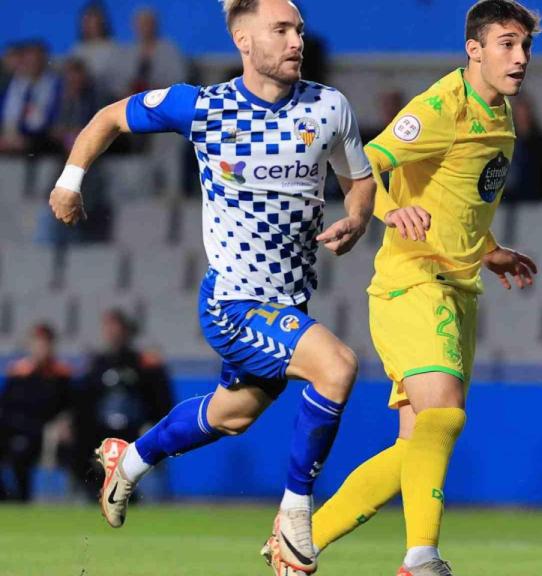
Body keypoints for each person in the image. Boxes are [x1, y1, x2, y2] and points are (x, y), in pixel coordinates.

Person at [48, 1, 376, 573]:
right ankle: (295, 516)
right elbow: (107, 117)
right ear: (244, 42)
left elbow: (361, 180)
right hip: (233, 304)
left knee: (231, 416)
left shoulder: (330, 108)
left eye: (298, 29)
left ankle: (128, 463)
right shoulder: (203, 107)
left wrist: (356, 218)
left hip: (289, 303)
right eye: (280, 29)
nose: (296, 39)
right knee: (337, 366)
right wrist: (70, 181)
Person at [263, 1, 540, 575]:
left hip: (456, 288)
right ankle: (421, 559)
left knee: (416, 448)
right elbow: (364, 162)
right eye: (507, 44)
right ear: (475, 48)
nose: (519, 58)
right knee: (445, 415)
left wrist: (489, 252)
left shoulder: (501, 112)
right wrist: (388, 212)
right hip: (414, 283)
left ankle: (297, 541)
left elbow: (463, 195)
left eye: (525, 46)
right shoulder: (442, 106)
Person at [67, 309, 173, 498]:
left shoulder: (144, 364)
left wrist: (155, 424)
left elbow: (162, 401)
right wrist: (70, 422)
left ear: (126, 332)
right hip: (99, 429)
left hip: (135, 428)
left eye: (116, 329)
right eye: (109, 329)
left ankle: (123, 495)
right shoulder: (96, 364)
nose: (113, 334)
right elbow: (82, 401)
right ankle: (95, 491)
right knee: (78, 444)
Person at [0, 324, 72, 502]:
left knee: (21, 453)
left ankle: (21, 500)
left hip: (42, 431)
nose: (42, 348)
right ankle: (7, 498)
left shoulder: (60, 375)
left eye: (46, 344)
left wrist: (65, 422)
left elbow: (69, 407)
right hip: (14, 428)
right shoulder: (18, 373)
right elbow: (7, 407)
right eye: (38, 343)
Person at [0, 40, 62, 156]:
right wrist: (10, 136)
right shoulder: (16, 83)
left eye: (36, 60)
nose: (33, 64)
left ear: (43, 60)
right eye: (29, 60)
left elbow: (48, 118)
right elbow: (8, 113)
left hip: (43, 134)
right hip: (14, 134)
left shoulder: (54, 83)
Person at [503, 92, 542, 202]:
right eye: (519, 113)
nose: (522, 117)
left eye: (525, 112)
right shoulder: (505, 141)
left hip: (536, 199)